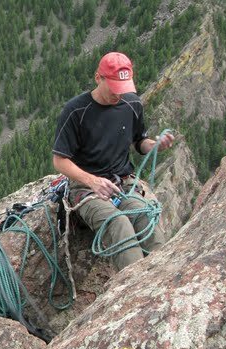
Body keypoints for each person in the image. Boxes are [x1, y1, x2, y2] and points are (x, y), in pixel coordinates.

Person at [52, 52, 175, 271]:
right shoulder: (76, 111)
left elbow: (139, 141)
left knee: (146, 220)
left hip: (122, 184)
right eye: (114, 88)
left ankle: (164, 278)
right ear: (98, 78)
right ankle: (136, 288)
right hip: (86, 189)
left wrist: (154, 146)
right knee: (118, 225)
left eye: (124, 88)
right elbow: (60, 161)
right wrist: (92, 181)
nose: (119, 95)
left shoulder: (131, 103)